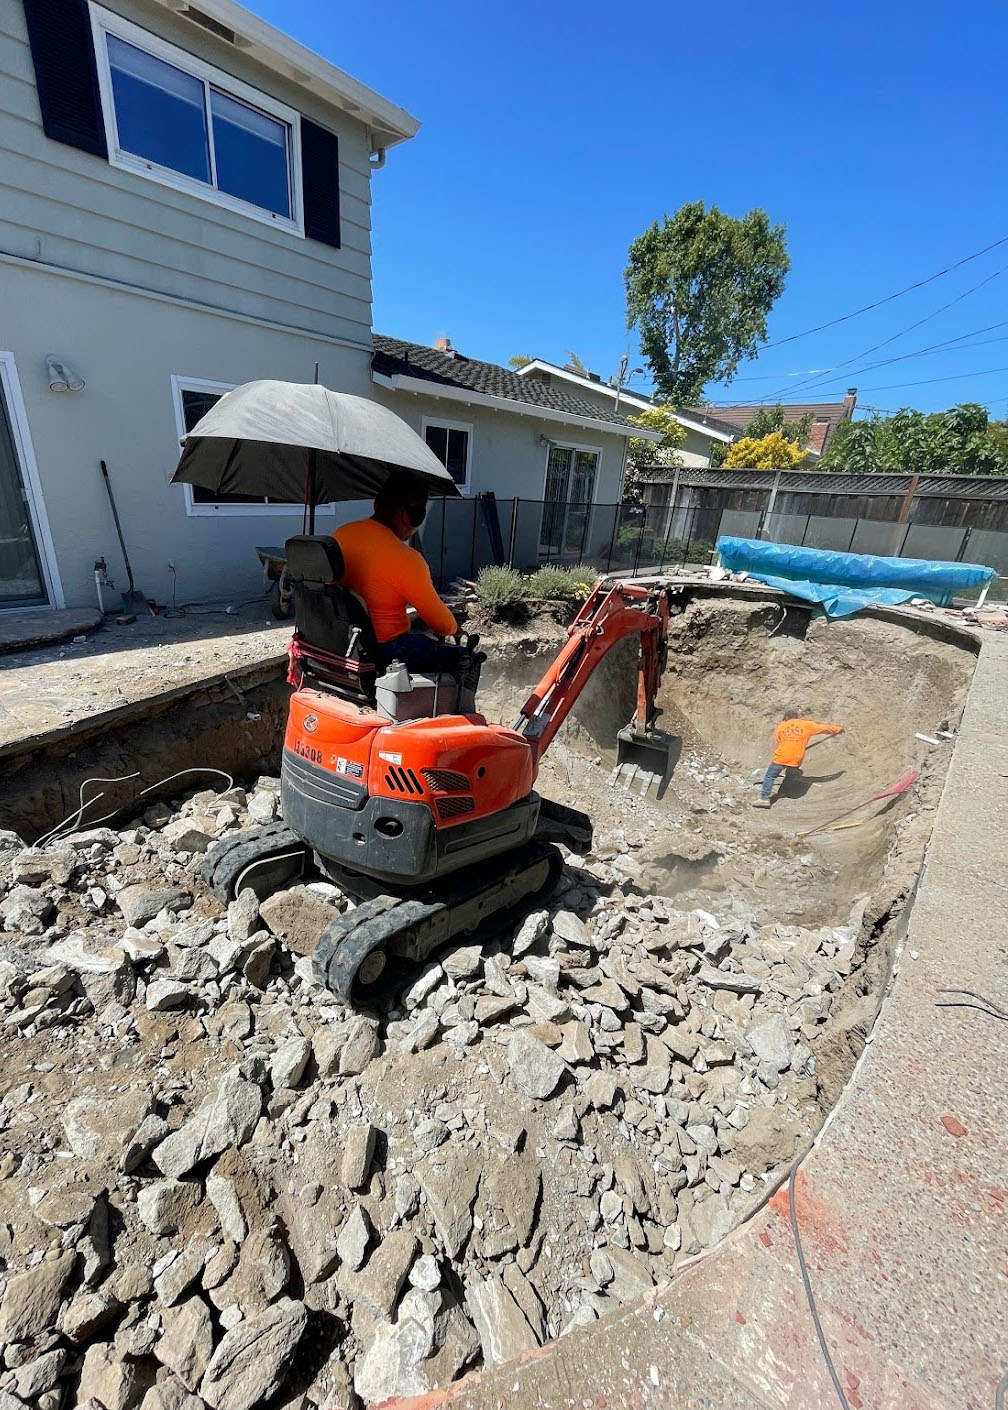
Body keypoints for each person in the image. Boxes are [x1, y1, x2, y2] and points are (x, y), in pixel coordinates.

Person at [333, 470, 464, 674]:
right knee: (464, 658)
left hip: (341, 642)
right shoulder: (407, 559)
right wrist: (455, 628)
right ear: (407, 516)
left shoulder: (341, 533)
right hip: (384, 651)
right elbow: (440, 624)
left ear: (377, 504)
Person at [752, 712, 844, 808]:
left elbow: (779, 741)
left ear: (787, 717)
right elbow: (823, 728)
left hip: (782, 756)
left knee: (770, 776)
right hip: (797, 758)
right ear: (797, 717)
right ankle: (783, 792)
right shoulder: (806, 724)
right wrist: (837, 729)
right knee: (790, 775)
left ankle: (764, 799)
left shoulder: (781, 726)